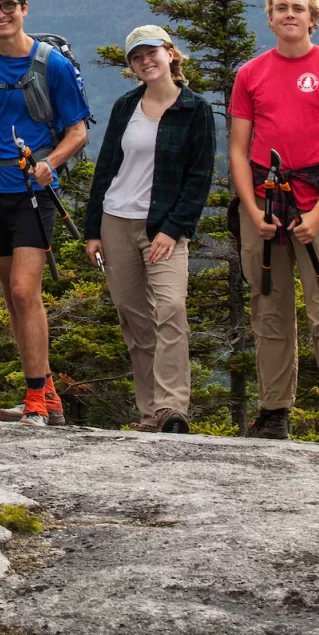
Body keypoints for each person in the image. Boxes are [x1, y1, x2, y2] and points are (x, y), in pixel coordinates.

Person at [228, 0, 319, 444]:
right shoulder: (250, 74)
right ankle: (273, 412)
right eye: (281, 8)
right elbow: (238, 149)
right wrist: (251, 210)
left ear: (314, 18)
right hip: (265, 204)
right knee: (269, 310)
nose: (290, 14)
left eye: (299, 8)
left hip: (315, 203)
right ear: (269, 18)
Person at [0, 0, 92, 427]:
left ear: (24, 8)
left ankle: (36, 400)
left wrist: (50, 163)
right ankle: (45, 395)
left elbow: (78, 131)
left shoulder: (52, 65)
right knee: (12, 298)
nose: (0, 13)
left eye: (8, 5)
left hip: (35, 192)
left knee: (23, 290)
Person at [82, 26, 214, 433]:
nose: (145, 61)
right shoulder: (126, 106)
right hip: (117, 221)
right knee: (134, 316)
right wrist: (93, 230)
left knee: (170, 309)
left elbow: (199, 177)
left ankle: (172, 408)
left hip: (163, 227)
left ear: (171, 54)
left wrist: (172, 230)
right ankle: (149, 413)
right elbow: (106, 168)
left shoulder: (195, 109)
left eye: (151, 52)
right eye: (136, 57)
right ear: (132, 67)